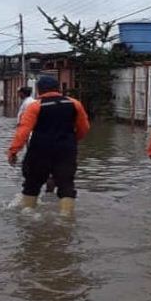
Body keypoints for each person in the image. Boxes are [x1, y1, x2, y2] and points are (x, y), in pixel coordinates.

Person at [7, 76, 90, 216]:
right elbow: (84, 128)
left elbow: (23, 131)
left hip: (40, 150)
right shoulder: (75, 103)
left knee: (32, 184)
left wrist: (13, 151)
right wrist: (71, 141)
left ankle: (28, 215)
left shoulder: (35, 106)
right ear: (58, 88)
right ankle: (66, 218)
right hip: (65, 150)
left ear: (38, 90)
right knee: (66, 184)